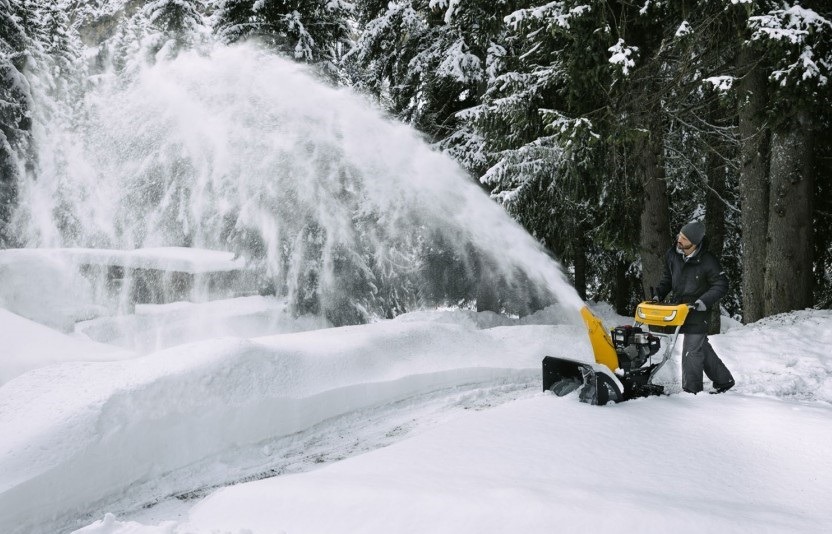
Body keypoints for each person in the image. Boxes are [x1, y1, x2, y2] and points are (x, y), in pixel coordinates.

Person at [653, 221, 735, 394]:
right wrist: (658, 294)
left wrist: (703, 301)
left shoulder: (707, 260)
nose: (679, 239)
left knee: (691, 349)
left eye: (684, 238)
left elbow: (721, 284)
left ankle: (692, 392)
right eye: (679, 235)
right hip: (679, 309)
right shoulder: (672, 254)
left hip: (698, 309)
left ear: (694, 242)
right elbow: (668, 279)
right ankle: (723, 380)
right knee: (699, 347)